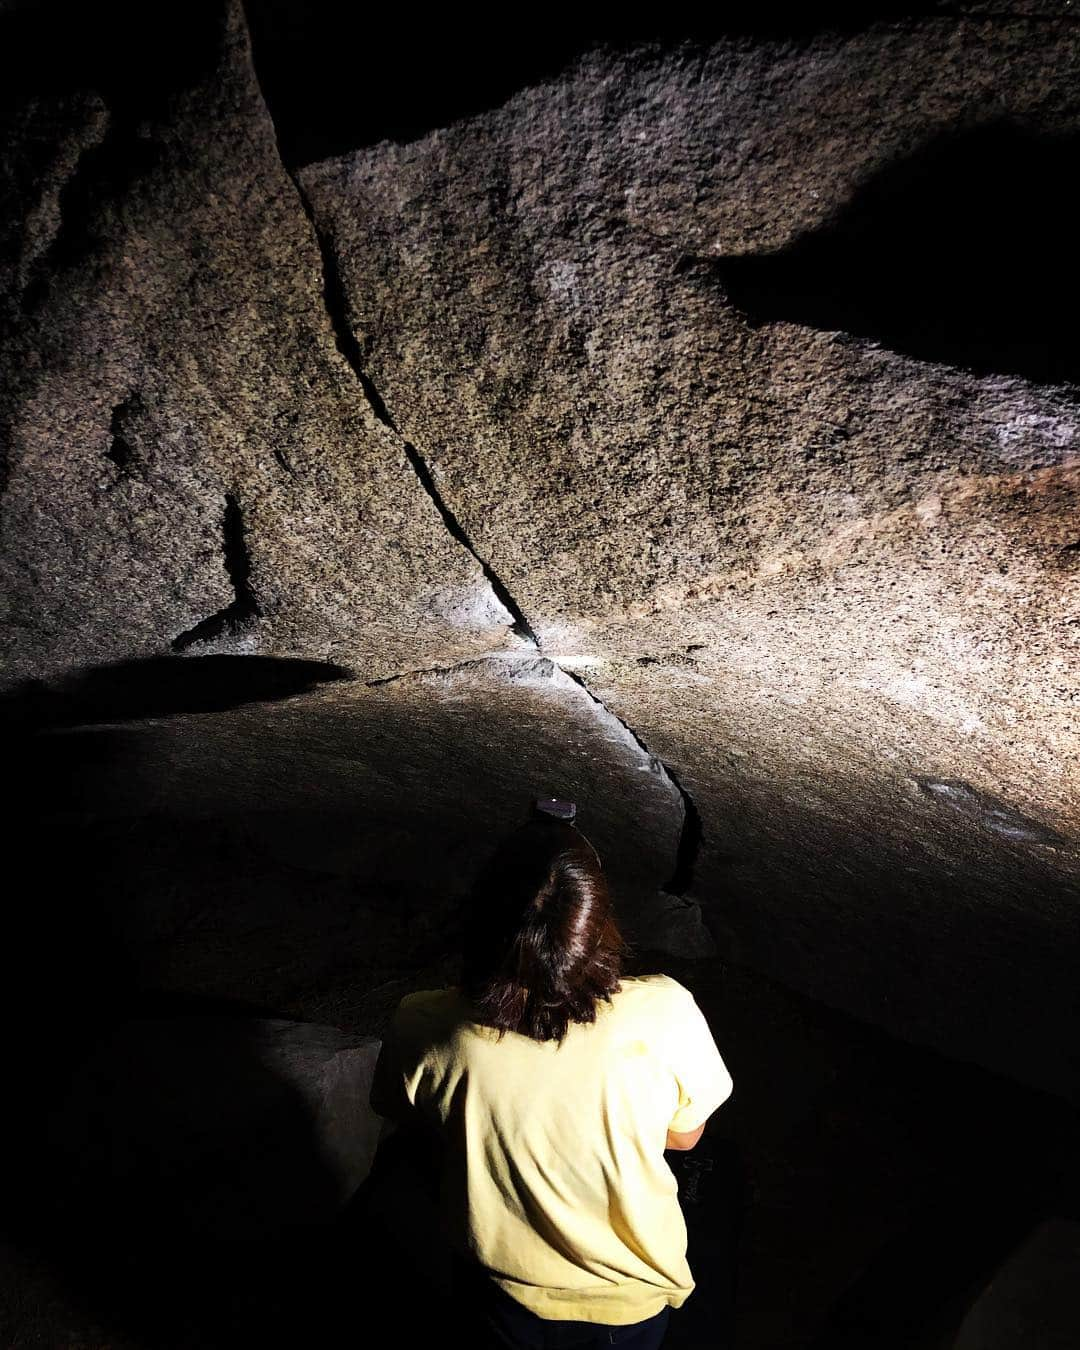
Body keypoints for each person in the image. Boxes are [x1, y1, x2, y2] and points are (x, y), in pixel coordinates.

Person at [368, 801, 734, 1348]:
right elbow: (684, 1136)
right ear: (595, 924)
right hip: (625, 1304)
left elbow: (415, 1122)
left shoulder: (423, 1022)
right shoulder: (665, 1012)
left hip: (498, 1289)